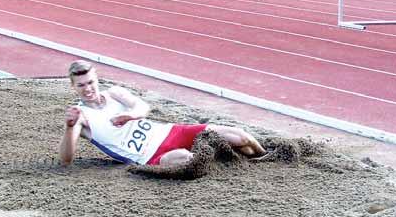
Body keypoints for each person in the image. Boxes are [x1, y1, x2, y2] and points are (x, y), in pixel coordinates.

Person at [59, 60, 267, 167]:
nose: (88, 89)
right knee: (188, 159)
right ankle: (231, 159)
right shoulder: (81, 118)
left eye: (91, 82)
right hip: (150, 156)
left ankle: (264, 158)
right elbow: (66, 160)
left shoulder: (115, 93)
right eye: (81, 85)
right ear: (73, 87)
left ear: (97, 80)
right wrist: (70, 128)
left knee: (240, 136)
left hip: (172, 132)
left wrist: (131, 116)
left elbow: (143, 107)